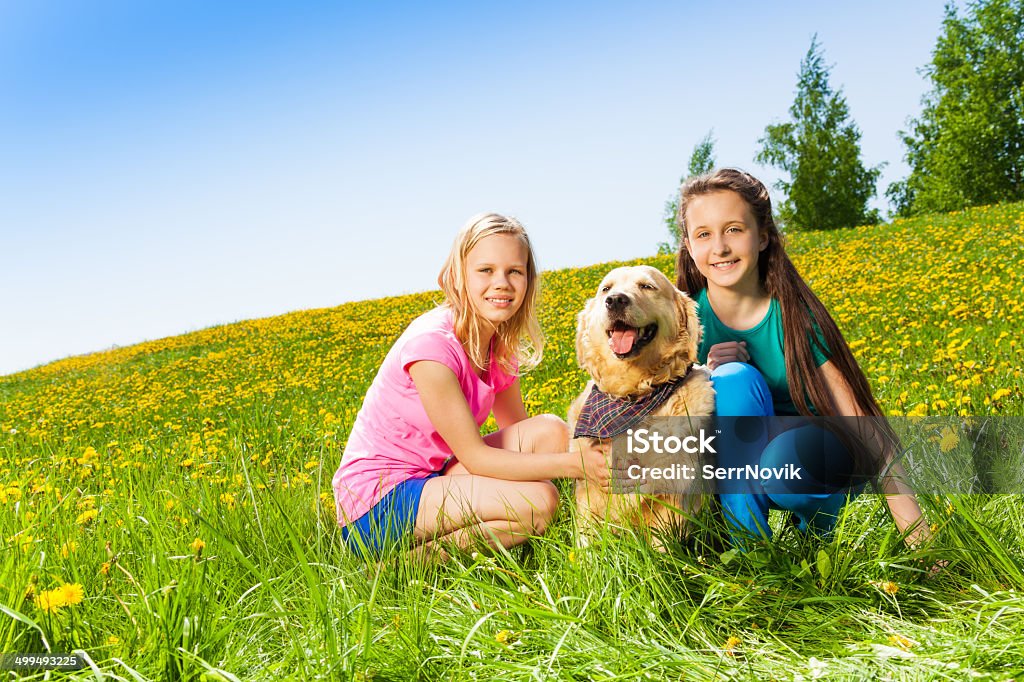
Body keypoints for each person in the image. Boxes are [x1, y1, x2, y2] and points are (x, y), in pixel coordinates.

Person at [675, 168, 931, 548]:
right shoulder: (682, 324)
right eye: (704, 234)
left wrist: (919, 536)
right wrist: (702, 375)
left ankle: (817, 534)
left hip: (812, 456)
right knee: (730, 381)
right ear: (689, 246)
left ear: (762, 237)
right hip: (736, 465)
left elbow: (865, 426)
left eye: (734, 229)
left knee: (782, 467)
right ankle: (751, 558)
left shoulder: (794, 318)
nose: (720, 248)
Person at [333, 212, 609, 558]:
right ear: (459, 275)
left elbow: (521, 433)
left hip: (433, 477)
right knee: (539, 503)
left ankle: (523, 526)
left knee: (552, 432)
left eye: (515, 271)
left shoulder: (499, 345)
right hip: (377, 502)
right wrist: (574, 465)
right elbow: (477, 458)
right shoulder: (432, 347)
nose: (502, 283)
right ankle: (411, 564)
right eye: (486, 270)